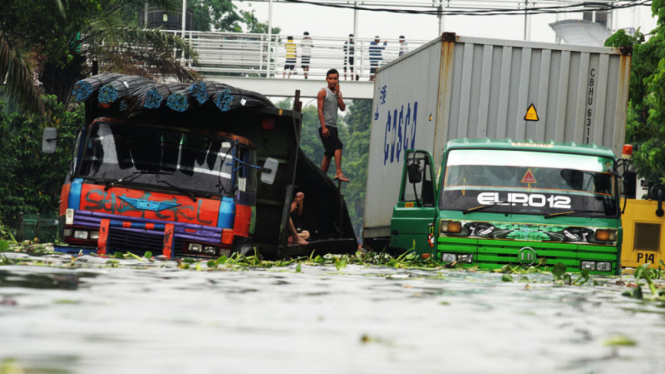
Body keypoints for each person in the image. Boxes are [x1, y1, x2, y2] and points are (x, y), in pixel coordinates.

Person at [317, 69, 349, 182]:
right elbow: (320, 111)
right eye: (330, 78)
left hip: (334, 127)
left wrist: (338, 95)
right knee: (338, 145)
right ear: (327, 79)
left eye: (335, 78)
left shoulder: (337, 93)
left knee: (329, 153)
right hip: (325, 126)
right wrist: (324, 127)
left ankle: (321, 177)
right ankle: (339, 172)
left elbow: (343, 108)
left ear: (338, 80)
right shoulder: (323, 92)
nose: (333, 81)